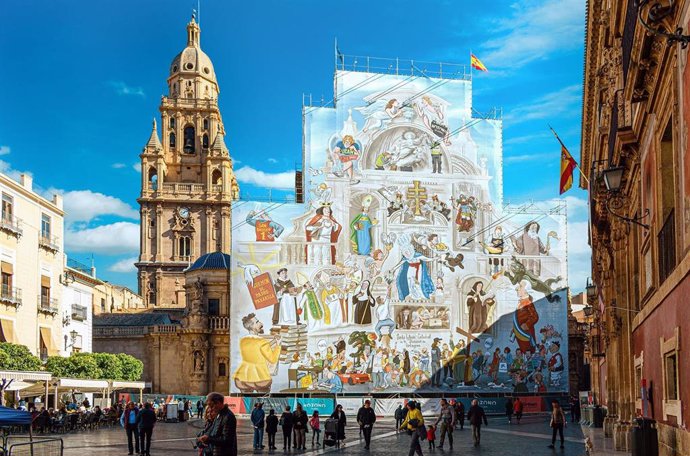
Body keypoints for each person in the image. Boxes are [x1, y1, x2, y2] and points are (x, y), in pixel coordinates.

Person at [196, 392, 238, 456]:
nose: (211, 408)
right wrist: (203, 437)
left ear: (218, 403)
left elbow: (227, 440)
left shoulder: (228, 416)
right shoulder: (219, 414)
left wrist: (209, 439)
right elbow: (212, 431)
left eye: (212, 406)